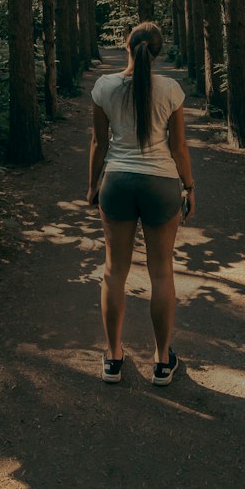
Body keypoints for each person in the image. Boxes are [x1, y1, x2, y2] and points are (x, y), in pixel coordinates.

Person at [87, 21, 195, 386]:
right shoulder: (171, 90)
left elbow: (99, 144)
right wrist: (189, 186)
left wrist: (92, 186)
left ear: (126, 46)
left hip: (117, 182)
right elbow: (178, 147)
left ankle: (113, 358)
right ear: (158, 51)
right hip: (161, 184)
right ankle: (163, 362)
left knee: (114, 271)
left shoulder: (104, 86)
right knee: (161, 272)